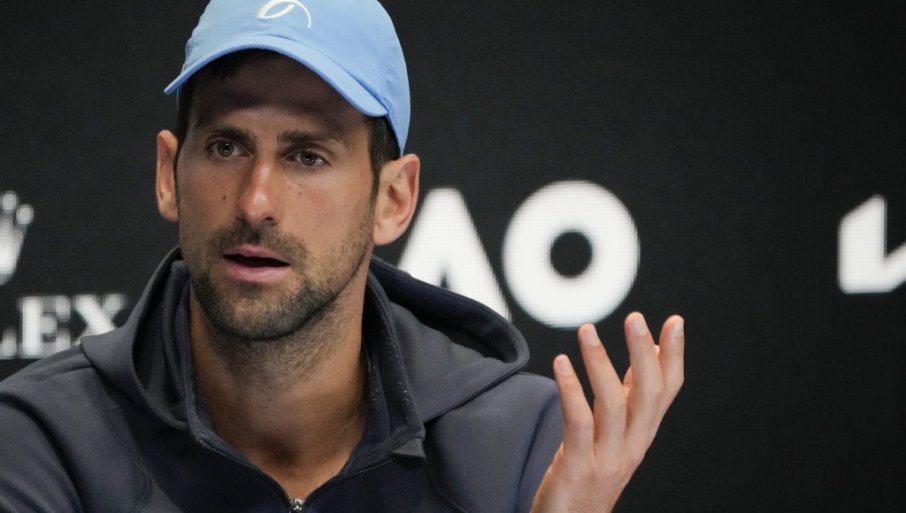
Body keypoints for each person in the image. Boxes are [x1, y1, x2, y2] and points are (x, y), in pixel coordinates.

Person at [0, 0, 685, 511]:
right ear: (167, 174)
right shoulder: (42, 441)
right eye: (226, 146)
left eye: (308, 156)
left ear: (394, 198)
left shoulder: (523, 448)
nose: (256, 201)